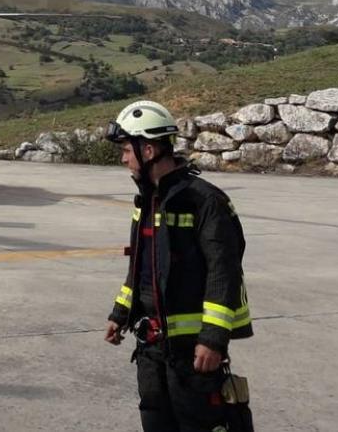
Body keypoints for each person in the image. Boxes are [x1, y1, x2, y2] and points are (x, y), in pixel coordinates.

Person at [103, 100, 254, 432]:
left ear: (151, 149)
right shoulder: (147, 201)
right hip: (151, 348)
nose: (124, 158)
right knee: (156, 421)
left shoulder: (205, 201)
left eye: (128, 149)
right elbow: (140, 269)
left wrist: (213, 339)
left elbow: (223, 272)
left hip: (193, 353)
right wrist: (121, 313)